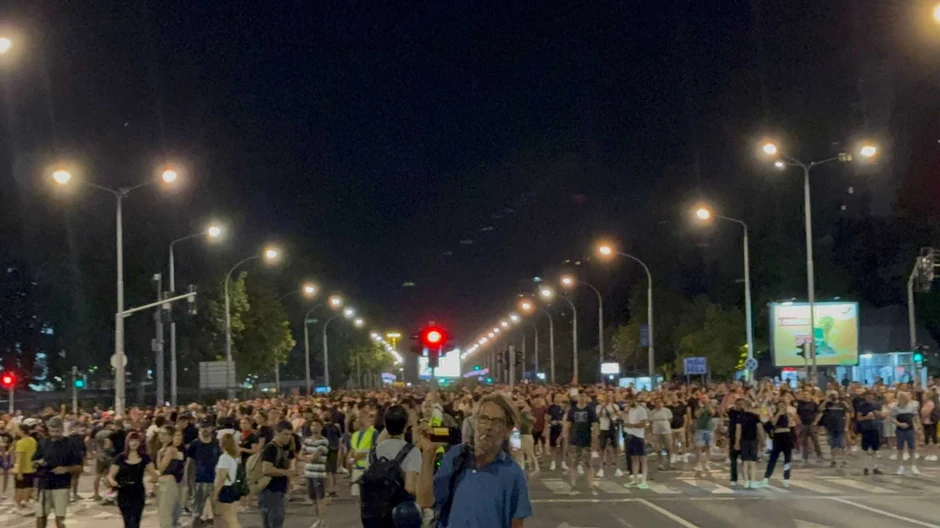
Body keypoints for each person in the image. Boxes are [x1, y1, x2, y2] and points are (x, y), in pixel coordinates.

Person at [418, 392, 532, 528]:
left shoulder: (513, 473)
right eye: (483, 418)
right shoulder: (456, 457)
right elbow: (425, 501)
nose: (488, 427)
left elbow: (517, 525)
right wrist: (428, 453)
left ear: (507, 431)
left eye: (497, 422)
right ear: (475, 422)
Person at [360, 405, 422, 527]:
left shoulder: (374, 452)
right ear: (406, 426)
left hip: (373, 515)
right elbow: (410, 488)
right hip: (399, 516)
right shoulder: (411, 451)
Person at [34, 417, 84, 528]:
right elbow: (34, 461)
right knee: (40, 516)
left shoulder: (70, 443)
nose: (55, 434)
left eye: (57, 431)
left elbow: (79, 467)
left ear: (62, 429)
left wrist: (66, 469)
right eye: (52, 431)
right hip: (44, 484)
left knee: (60, 517)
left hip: (61, 485)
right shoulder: (42, 443)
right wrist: (38, 463)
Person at [108, 431, 159, 528]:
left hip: (138, 491)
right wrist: (112, 482)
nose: (134, 443)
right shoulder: (120, 457)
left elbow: (154, 474)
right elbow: (111, 475)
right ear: (127, 442)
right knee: (127, 520)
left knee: (136, 520)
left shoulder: (145, 457)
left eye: (137, 441)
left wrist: (153, 480)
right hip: (123, 492)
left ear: (140, 443)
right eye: (131, 441)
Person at [259, 421, 295, 528]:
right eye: (285, 434)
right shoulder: (271, 448)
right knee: (274, 522)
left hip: (278, 491)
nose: (288, 437)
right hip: (270, 491)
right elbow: (266, 469)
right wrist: (286, 472)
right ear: (277, 433)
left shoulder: (283, 447)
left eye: (290, 434)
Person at [186, 419, 221, 526]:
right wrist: (189, 482)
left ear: (212, 428)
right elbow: (189, 464)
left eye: (207, 427)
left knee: (217, 513)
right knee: (197, 512)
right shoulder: (194, 444)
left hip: (215, 481)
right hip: (198, 481)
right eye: (202, 427)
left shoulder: (217, 443)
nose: (204, 429)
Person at [757, 399, 793, 488]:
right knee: (773, 457)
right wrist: (778, 414)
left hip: (786, 435)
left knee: (787, 458)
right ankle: (766, 478)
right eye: (779, 405)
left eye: (782, 405)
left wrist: (786, 414)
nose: (781, 407)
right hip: (778, 436)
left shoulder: (788, 414)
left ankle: (786, 478)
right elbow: (773, 422)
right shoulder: (774, 414)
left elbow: (790, 423)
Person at [301, 417, 330, 526]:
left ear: (321, 427)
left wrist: (306, 457)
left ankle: (322, 521)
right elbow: (300, 454)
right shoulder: (307, 440)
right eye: (313, 425)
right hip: (308, 473)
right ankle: (318, 519)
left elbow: (315, 457)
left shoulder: (324, 441)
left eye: (317, 425)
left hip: (319, 474)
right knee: (313, 499)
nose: (314, 427)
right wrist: (308, 457)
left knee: (320, 499)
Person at [565, 391, 596, 490]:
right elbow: (568, 425)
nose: (582, 398)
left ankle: (591, 485)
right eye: (580, 396)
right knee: (575, 462)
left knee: (588, 462)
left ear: (586, 397)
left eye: (584, 396)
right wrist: (567, 437)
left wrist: (595, 438)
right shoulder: (572, 410)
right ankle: (573, 484)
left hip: (586, 439)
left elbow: (595, 424)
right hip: (575, 439)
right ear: (577, 397)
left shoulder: (590, 410)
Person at [156, 427, 185, 528]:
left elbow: (161, 468)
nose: (162, 436)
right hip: (166, 482)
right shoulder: (165, 449)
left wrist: (158, 455)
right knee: (165, 512)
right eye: (160, 433)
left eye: (165, 434)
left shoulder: (170, 450)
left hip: (169, 482)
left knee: (166, 513)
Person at [213, 433, 242, 528]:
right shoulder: (232, 458)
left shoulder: (224, 458)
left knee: (229, 518)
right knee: (230, 518)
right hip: (231, 488)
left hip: (225, 489)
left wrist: (215, 493)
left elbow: (221, 477)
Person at [621, 394, 649, 489]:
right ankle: (635, 479)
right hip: (630, 435)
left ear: (633, 399)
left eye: (629, 401)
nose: (627, 403)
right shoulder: (631, 410)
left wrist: (630, 425)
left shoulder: (641, 410)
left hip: (638, 436)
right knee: (633, 458)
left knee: (642, 458)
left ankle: (644, 480)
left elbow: (643, 423)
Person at [733, 399, 762, 488]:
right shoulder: (755, 416)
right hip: (753, 440)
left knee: (745, 461)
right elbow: (760, 429)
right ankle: (752, 480)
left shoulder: (740, 417)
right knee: (753, 461)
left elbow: (738, 430)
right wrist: (763, 440)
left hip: (744, 440)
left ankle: (746, 480)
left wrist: (737, 442)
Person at [816, 391, 849, 469]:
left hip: (840, 426)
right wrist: (825, 401)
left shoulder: (842, 404)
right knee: (832, 444)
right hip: (830, 427)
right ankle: (833, 460)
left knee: (842, 444)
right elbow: (820, 409)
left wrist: (846, 426)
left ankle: (844, 460)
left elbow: (848, 414)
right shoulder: (828, 404)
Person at [891, 392, 920, 475]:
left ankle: (914, 466)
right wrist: (899, 424)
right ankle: (900, 467)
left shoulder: (912, 407)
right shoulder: (895, 408)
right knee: (900, 449)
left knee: (912, 449)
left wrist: (918, 426)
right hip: (900, 430)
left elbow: (916, 416)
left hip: (910, 430)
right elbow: (892, 418)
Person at [856, 391, 883, 476]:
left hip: (875, 428)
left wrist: (877, 413)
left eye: (870, 396)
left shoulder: (876, 405)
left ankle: (875, 467)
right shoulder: (862, 406)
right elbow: (859, 418)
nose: (869, 398)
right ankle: (866, 467)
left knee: (875, 449)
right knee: (865, 449)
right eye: (867, 396)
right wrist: (866, 417)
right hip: (866, 428)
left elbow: (881, 415)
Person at [595, 394, 621, 478]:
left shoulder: (615, 406)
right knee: (602, 449)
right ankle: (601, 469)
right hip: (603, 429)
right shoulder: (599, 407)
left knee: (616, 449)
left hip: (613, 429)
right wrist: (603, 407)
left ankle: (617, 469)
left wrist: (613, 407)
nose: (609, 398)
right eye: (607, 396)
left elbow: (619, 415)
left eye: (610, 396)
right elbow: (597, 416)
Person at [14, 424, 37, 513]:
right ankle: (25, 502)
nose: (17, 432)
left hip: (22, 469)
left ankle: (19, 505)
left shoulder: (20, 443)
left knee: (20, 488)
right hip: (31, 468)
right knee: (29, 486)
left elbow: (20, 458)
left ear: (22, 431)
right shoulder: (33, 440)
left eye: (18, 430)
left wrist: (19, 472)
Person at [795, 389, 822, 463]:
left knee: (815, 440)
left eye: (807, 394)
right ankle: (805, 457)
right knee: (804, 441)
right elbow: (797, 413)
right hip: (803, 424)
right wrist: (799, 421)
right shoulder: (800, 404)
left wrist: (816, 421)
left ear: (810, 395)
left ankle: (819, 454)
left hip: (812, 424)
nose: (805, 396)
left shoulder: (813, 404)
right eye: (804, 394)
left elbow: (819, 413)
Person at [546, 394, 566, 471]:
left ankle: (563, 462)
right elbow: (547, 418)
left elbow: (567, 418)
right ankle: (553, 462)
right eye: (557, 397)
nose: (558, 398)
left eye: (559, 397)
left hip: (562, 428)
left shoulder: (563, 407)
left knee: (563, 446)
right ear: (554, 399)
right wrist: (551, 422)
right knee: (553, 446)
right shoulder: (551, 407)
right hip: (554, 428)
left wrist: (562, 422)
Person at [0, 420, 14, 497]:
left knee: (6, 474)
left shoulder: (8, 435)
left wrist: (8, 452)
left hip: (5, 455)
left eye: (2, 423)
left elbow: (12, 444)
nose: (1, 424)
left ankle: (3, 491)